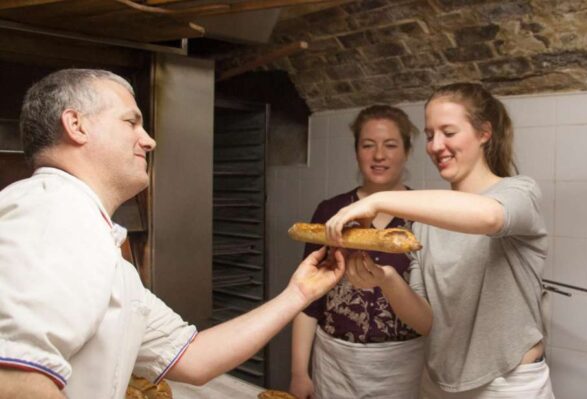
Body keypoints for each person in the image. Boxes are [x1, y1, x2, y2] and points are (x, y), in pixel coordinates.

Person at [0, 69, 345, 399]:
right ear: (77, 125)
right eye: (130, 122)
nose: (148, 140)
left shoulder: (100, 246)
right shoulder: (51, 211)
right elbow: (14, 382)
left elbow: (193, 358)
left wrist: (298, 294)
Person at [325, 83, 554, 398]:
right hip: (438, 385)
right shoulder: (425, 223)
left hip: (507, 385)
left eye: (448, 132)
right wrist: (386, 279)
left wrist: (378, 201)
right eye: (431, 135)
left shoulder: (518, 192)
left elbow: (489, 218)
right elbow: (427, 321)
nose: (435, 146)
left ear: (484, 133)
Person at [289, 105, 424, 399]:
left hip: (404, 364)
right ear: (356, 152)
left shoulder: (425, 215)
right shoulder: (330, 212)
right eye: (368, 145)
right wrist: (299, 373)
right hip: (336, 362)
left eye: (390, 145)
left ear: (407, 151)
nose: (379, 155)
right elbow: (308, 299)